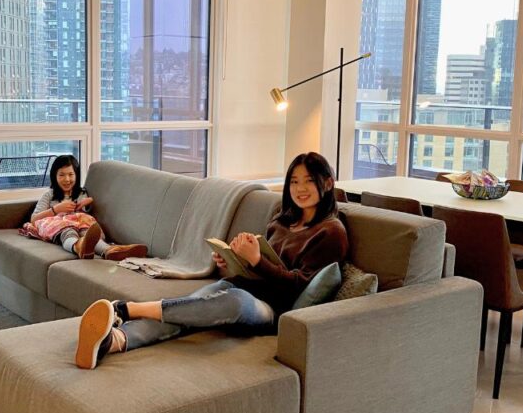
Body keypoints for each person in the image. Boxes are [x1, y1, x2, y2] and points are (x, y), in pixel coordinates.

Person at [74, 151, 349, 369]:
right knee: (190, 310)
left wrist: (255, 261)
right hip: (243, 285)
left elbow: (298, 286)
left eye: (309, 181)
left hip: (273, 309)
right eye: (294, 181)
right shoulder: (282, 219)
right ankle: (114, 341)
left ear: (327, 183)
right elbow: (265, 265)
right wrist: (232, 261)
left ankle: (127, 309)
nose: (300, 188)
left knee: (230, 302)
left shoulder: (331, 232)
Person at [20, 155, 147, 261]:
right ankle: (77, 246)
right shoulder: (49, 195)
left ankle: (109, 250)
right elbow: (34, 219)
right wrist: (56, 210)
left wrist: (87, 202)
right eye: (62, 175)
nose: (67, 179)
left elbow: (85, 212)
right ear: (54, 176)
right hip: (60, 228)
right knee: (68, 231)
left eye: (71, 174)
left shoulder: (81, 193)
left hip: (80, 225)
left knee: (87, 231)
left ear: (77, 175)